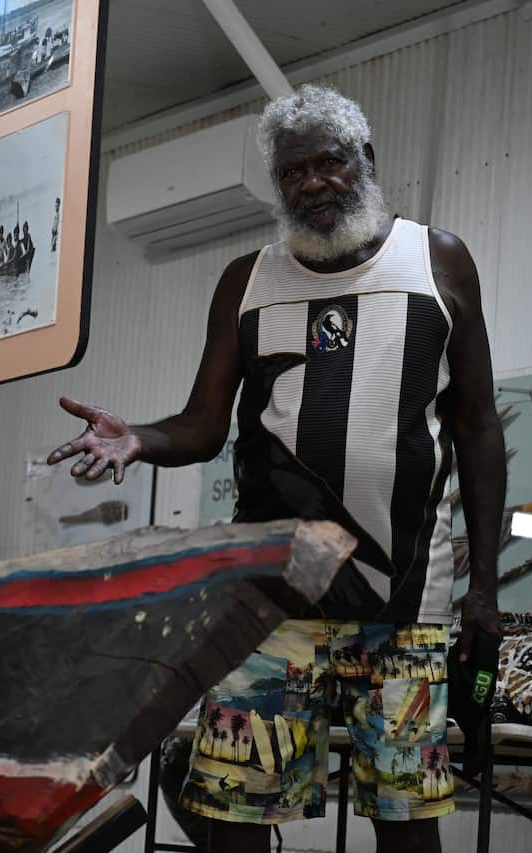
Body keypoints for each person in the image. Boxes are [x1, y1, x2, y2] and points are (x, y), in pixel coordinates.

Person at [46, 85, 504, 853]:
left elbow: (478, 425)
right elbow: (200, 427)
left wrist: (484, 588)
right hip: (270, 605)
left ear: (364, 160)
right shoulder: (247, 281)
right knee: (235, 814)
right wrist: (137, 439)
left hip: (406, 609)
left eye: (327, 162)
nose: (312, 183)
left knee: (407, 825)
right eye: (292, 172)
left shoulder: (438, 261)